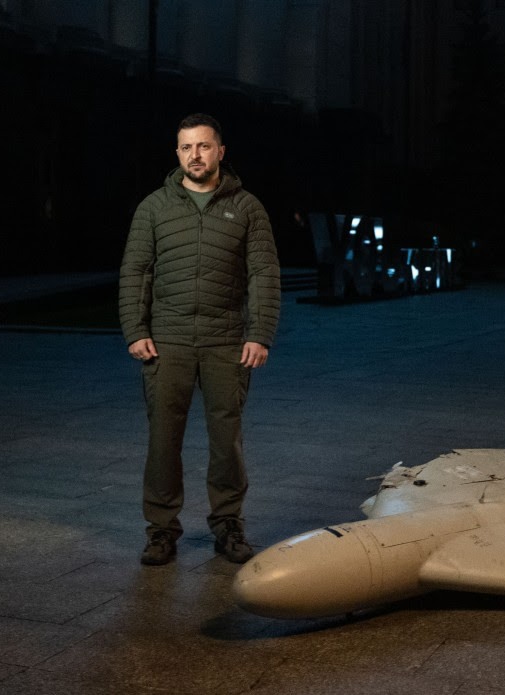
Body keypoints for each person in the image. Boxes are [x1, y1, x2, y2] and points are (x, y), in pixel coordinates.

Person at [119, 113, 280, 566]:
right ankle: (161, 530)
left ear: (220, 152)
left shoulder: (247, 207)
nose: (196, 155)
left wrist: (259, 335)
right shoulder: (154, 207)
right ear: (177, 153)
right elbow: (136, 271)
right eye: (187, 147)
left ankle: (228, 525)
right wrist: (136, 330)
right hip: (166, 342)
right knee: (163, 440)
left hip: (226, 341)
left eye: (204, 146)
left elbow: (264, 274)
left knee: (226, 439)